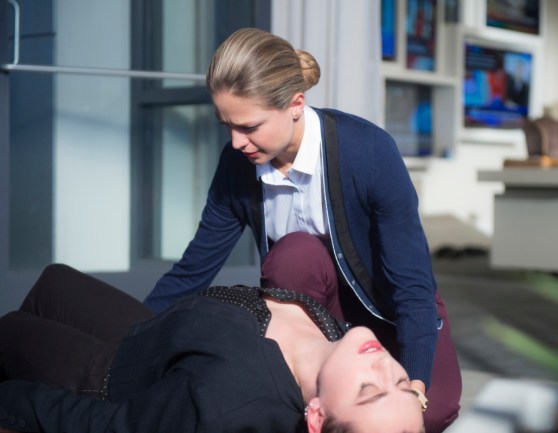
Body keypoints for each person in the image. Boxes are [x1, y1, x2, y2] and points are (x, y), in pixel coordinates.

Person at [143, 27, 461, 431]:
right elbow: (194, 268)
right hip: (315, 325)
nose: (236, 142)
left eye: (249, 127)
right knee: (296, 253)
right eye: (227, 125)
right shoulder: (237, 164)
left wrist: (413, 384)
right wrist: (131, 333)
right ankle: (301, 390)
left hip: (392, 309)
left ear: (296, 105)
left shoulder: (368, 151)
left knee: (427, 410)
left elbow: (412, 285)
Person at [0, 238, 425, 433]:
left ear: (315, 417)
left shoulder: (230, 403)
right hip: (147, 335)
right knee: (53, 281)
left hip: (101, 379)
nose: (383, 366)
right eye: (404, 383)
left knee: (8, 331)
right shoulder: (340, 342)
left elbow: (111, 425)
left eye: (369, 390)